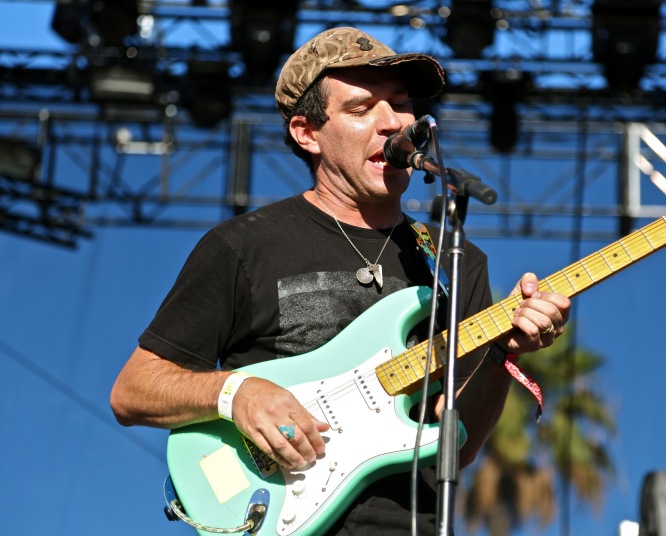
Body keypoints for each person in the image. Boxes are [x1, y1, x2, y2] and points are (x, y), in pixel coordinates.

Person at [110, 26, 571, 535]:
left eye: (400, 104)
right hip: (276, 511)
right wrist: (237, 394)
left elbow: (456, 448)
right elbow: (133, 390)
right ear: (307, 133)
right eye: (360, 109)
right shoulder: (245, 246)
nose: (392, 124)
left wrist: (505, 352)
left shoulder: (452, 261)